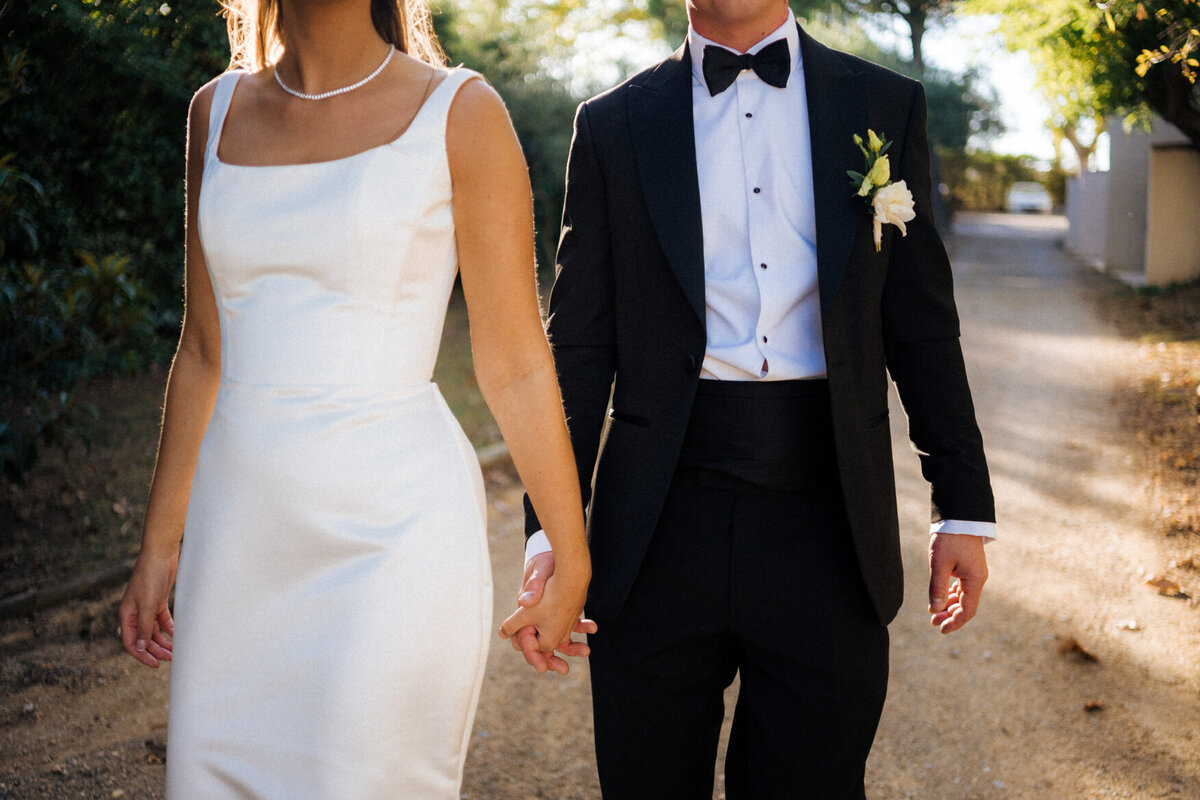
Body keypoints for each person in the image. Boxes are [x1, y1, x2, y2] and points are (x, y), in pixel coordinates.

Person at [512, 0, 996, 797]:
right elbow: (579, 346)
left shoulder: (883, 103)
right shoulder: (611, 123)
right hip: (656, 526)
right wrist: (550, 534)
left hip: (830, 522)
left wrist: (962, 508)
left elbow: (920, 324)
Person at [117, 1, 592, 796]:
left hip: (394, 536)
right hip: (240, 540)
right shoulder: (215, 111)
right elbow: (202, 349)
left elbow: (514, 363)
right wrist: (159, 545)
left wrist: (569, 557)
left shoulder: (462, 112)